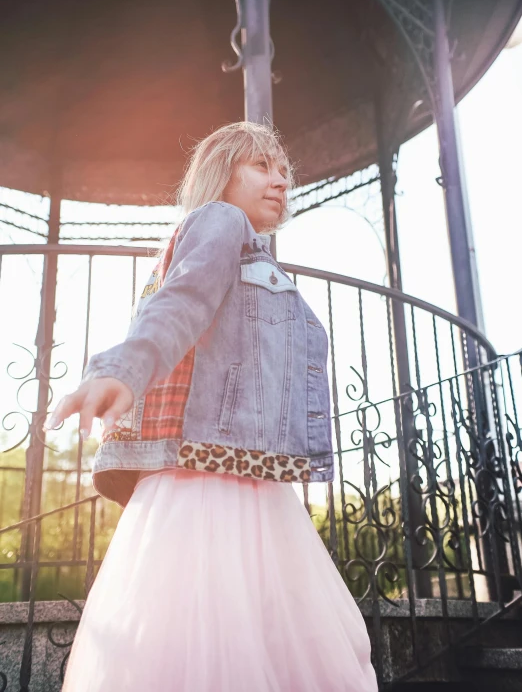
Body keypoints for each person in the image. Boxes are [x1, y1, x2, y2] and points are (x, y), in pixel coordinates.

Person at [45, 122, 378, 691]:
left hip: (237, 466)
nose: (279, 181)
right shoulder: (221, 222)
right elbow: (182, 301)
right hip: (214, 470)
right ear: (223, 174)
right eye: (260, 167)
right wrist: (123, 368)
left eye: (281, 170)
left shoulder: (243, 244)